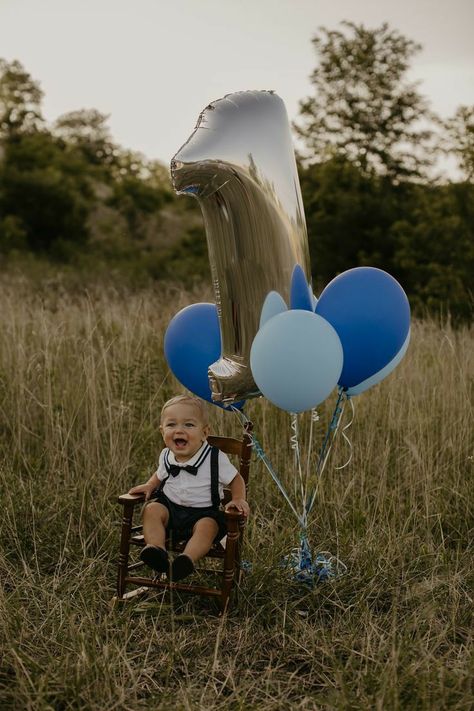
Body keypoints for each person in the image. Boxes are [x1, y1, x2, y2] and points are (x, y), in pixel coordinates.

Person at [128, 394, 250, 582]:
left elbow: (236, 479)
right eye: (171, 425)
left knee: (207, 527)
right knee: (151, 509)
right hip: (170, 510)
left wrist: (238, 499)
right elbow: (159, 475)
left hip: (203, 514)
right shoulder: (166, 455)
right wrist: (150, 485)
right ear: (162, 431)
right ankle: (157, 551)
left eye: (189, 425)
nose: (179, 430)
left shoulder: (214, 457)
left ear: (204, 432)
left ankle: (186, 560)